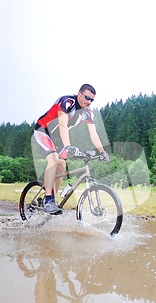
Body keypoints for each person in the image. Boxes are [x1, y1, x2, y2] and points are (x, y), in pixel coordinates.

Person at [33, 83, 110, 215]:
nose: (89, 102)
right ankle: (48, 200)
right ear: (79, 94)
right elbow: (63, 125)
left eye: (92, 100)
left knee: (62, 165)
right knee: (53, 160)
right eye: (87, 98)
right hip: (43, 131)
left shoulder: (88, 112)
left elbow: (94, 134)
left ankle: (53, 199)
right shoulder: (67, 101)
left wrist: (102, 151)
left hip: (58, 138)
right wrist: (68, 146)